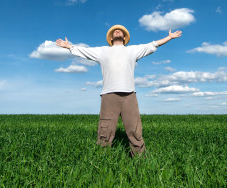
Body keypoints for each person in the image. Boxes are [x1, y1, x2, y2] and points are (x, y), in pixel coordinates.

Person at [56, 25, 182, 156]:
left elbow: (153, 45)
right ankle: (101, 160)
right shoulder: (102, 51)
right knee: (105, 130)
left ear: (124, 37)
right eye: (115, 31)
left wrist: (169, 37)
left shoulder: (133, 50)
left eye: (120, 31)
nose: (118, 31)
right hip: (109, 95)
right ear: (111, 38)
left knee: (135, 129)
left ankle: (140, 160)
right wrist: (70, 46)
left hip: (129, 95)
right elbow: (84, 51)